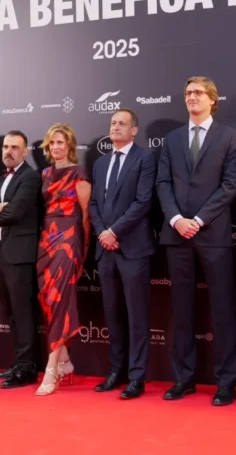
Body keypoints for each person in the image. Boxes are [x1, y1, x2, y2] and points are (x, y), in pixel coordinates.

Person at [157, 76, 236, 406]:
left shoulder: (229, 136)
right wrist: (177, 220)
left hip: (213, 234)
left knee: (222, 310)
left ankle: (226, 382)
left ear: (212, 99)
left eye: (198, 92)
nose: (191, 97)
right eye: (188, 93)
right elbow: (163, 183)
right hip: (177, 234)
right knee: (182, 311)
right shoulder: (173, 138)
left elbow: (230, 185)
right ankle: (184, 378)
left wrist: (200, 219)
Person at [89, 109, 156, 399]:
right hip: (106, 250)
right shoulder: (101, 163)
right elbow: (94, 204)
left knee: (137, 316)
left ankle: (137, 376)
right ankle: (116, 371)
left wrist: (114, 232)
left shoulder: (144, 159)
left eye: (122, 124)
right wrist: (102, 233)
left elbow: (143, 202)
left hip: (133, 249)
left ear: (134, 130)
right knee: (113, 315)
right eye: (113, 123)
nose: (115, 127)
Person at [33, 123, 91, 396]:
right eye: (52, 143)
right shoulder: (45, 173)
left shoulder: (79, 173)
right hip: (46, 239)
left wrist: (84, 250)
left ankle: (51, 368)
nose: (56, 147)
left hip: (69, 238)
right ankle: (65, 360)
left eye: (60, 142)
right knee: (49, 299)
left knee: (59, 299)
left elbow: (86, 215)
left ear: (69, 146)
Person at [0, 130, 43, 389]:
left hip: (21, 255)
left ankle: (27, 368)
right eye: (6, 147)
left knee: (23, 312)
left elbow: (16, 212)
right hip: (2, 253)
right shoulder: (0, 180)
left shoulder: (30, 177)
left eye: (15, 147)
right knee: (12, 313)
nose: (8, 151)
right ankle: (20, 363)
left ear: (25, 151)